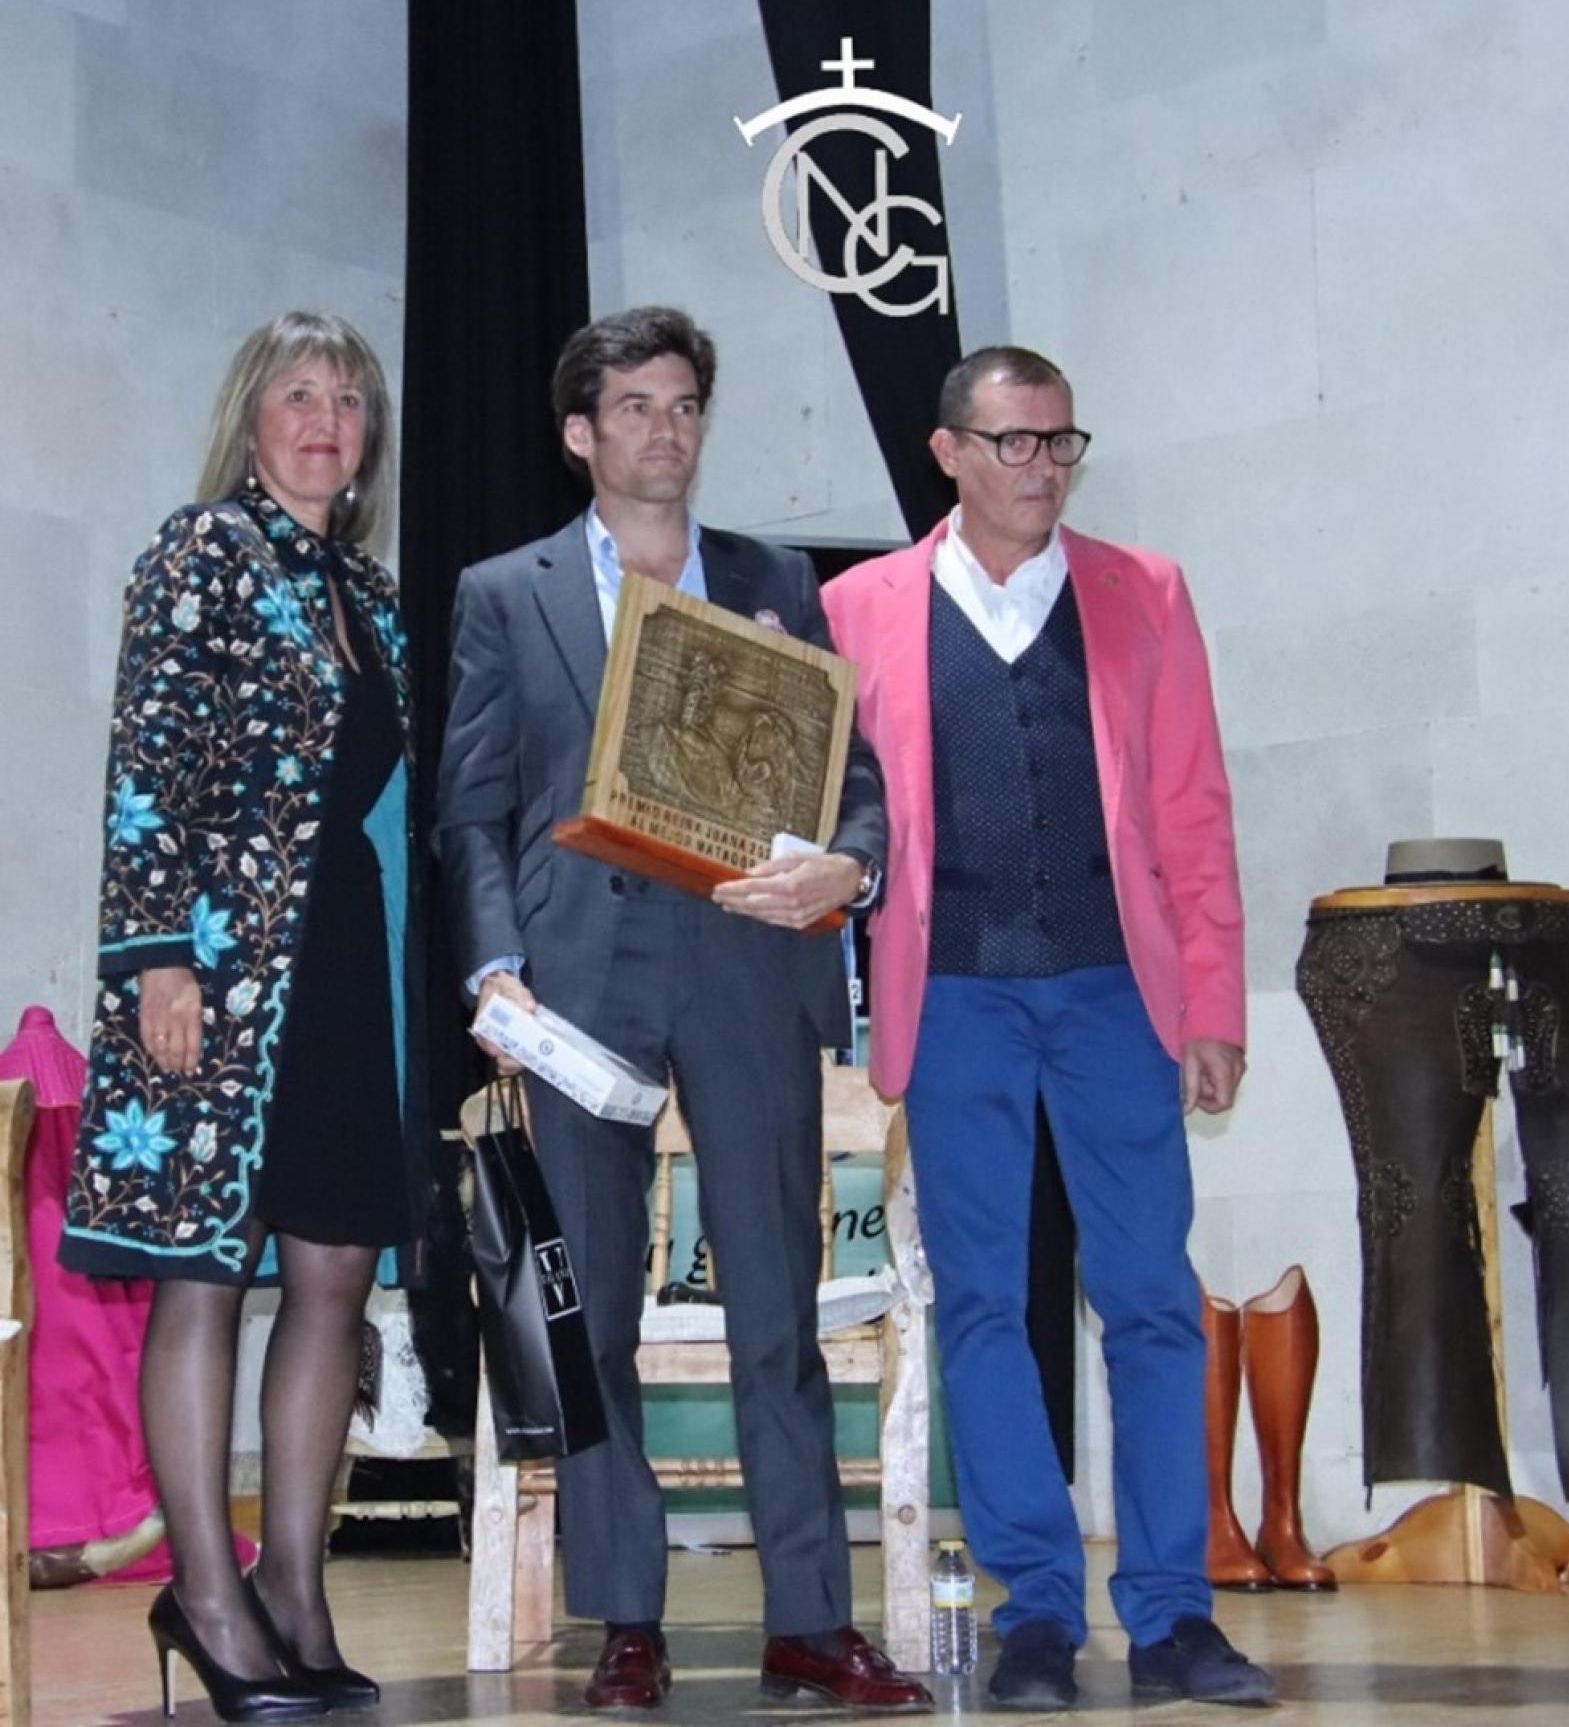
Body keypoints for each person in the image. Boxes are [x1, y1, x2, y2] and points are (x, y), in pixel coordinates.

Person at [436, 305, 930, 1713]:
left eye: (685, 405)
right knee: (587, 1314)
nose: (666, 428)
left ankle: (811, 1620)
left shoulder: (776, 576)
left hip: (747, 964)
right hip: (575, 978)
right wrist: (491, 967)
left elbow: (855, 778)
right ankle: (626, 1616)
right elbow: (470, 810)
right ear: (581, 432)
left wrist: (853, 862)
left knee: (771, 1303)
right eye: (636, 406)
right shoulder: (502, 591)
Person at [823, 346, 1276, 1711]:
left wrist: (1210, 1002)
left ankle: (1174, 1612)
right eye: (1011, 443)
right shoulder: (853, 608)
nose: (1039, 468)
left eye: (1058, 443)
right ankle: (1034, 1610)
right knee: (980, 1303)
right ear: (946, 451)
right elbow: (833, 816)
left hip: (1109, 992)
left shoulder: (1144, 591)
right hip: (950, 993)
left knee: (1146, 1297)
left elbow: (1192, 808)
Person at [61, 311, 430, 1723]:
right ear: (252, 415)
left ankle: (293, 1582)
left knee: (332, 1273)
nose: (327, 416)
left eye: (348, 396)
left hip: (345, 967)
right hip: (213, 972)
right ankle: (206, 1594)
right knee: (202, 1274)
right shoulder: (198, 550)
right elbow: (147, 757)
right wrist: (156, 957)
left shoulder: (372, 593)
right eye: (299, 392)